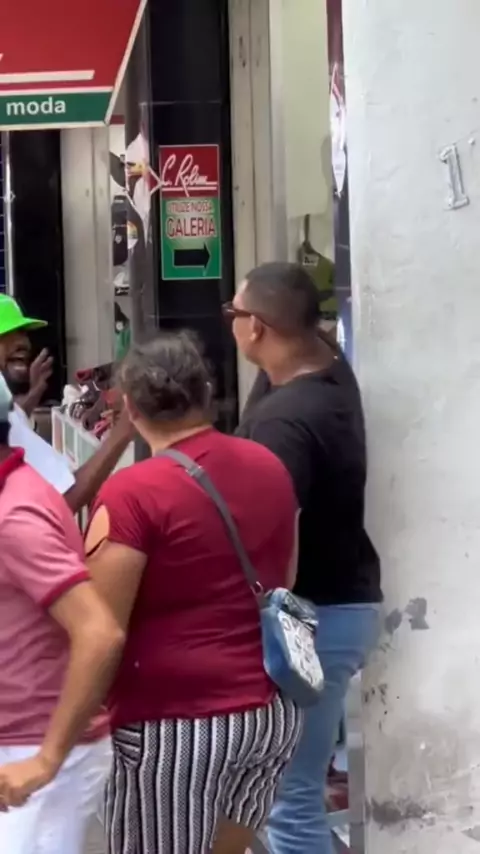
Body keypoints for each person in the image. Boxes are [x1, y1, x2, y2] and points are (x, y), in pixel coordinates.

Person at [84, 331, 302, 854]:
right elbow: (287, 578)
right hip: (269, 714)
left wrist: (66, 732)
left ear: (130, 408)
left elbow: (102, 629)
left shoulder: (131, 493)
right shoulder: (269, 465)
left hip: (172, 726)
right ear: (207, 391)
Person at [225, 261, 382, 854]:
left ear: (256, 327)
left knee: (290, 805)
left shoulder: (286, 423)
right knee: (278, 795)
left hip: (311, 620)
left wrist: (259, 617)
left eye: (233, 312)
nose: (230, 323)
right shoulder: (322, 368)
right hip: (335, 609)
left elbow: (274, 535)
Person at [0, 371, 125, 854]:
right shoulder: (16, 491)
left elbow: (100, 633)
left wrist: (45, 761)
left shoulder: (15, 518)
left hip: (37, 752)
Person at [0, 294, 133, 511]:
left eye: (23, 333)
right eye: (6, 334)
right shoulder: (7, 425)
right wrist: (126, 427)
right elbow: (65, 500)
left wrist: (32, 395)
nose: (24, 343)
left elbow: (14, 419)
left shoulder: (8, 413)